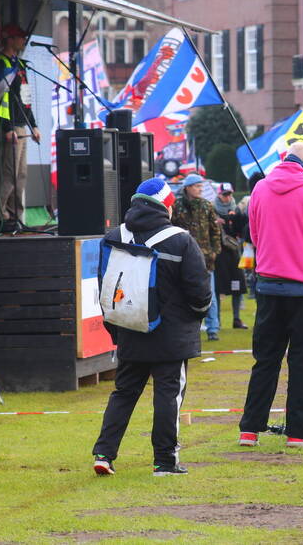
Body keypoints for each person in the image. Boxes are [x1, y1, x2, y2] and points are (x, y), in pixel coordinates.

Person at [92, 178, 213, 477]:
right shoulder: (181, 239)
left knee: (123, 393)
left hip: (130, 329)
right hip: (171, 336)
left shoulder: (113, 236)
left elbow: (105, 289)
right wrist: (197, 317)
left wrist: (117, 330)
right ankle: (165, 461)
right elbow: (199, 290)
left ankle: (104, 453)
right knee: (168, 395)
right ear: (167, 206)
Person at [238, 143, 303, 448]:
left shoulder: (260, 189)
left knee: (265, 360)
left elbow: (254, 236)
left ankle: (249, 430)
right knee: (301, 361)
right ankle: (298, 432)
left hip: (269, 285)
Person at [0, 22, 40, 232]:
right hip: (10, 128)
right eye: (19, 37)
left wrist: (33, 125)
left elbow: (25, 98)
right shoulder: (1, 67)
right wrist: (7, 128)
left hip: (22, 126)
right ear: (9, 40)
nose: (23, 41)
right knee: (8, 174)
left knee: (21, 174)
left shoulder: (20, 66)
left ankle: (16, 216)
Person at [171, 173, 223, 340]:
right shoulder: (177, 206)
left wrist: (214, 252)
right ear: (188, 187)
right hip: (184, 259)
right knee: (185, 295)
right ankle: (191, 329)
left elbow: (215, 232)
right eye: (197, 186)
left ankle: (213, 328)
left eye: (201, 186)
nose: (201, 189)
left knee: (210, 294)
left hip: (206, 258)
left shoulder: (207, 206)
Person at [213, 183, 248, 330]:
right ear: (219, 195)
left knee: (237, 286)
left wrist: (237, 219)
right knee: (218, 288)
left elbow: (243, 229)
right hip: (218, 254)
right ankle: (217, 321)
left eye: (230, 194)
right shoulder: (212, 209)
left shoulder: (236, 209)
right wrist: (216, 222)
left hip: (234, 253)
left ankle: (236, 319)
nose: (228, 197)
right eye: (225, 194)